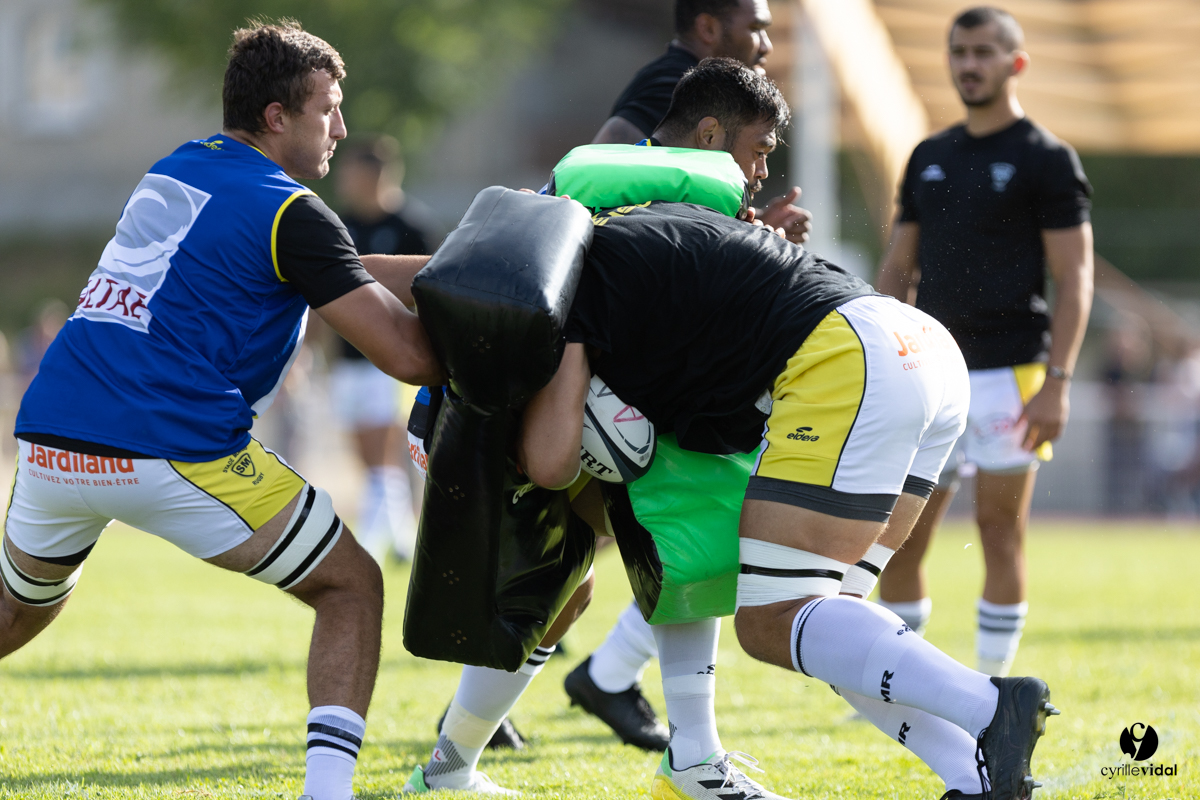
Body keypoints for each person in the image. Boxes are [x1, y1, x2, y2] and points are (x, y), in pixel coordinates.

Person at [2, 22, 442, 800]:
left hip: (52, 435)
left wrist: (458, 265)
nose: (340, 127)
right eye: (327, 109)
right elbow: (405, 356)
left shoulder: (179, 167)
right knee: (351, 587)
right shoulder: (293, 212)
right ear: (278, 117)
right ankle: (328, 794)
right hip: (168, 446)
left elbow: (331, 265)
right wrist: (511, 304)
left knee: (12, 615)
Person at [521, 197, 1059, 800]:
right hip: (924, 346)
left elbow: (551, 462)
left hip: (852, 357)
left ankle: (991, 702)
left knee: (769, 622)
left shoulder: (588, 284)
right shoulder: (670, 229)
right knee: (833, 626)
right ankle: (976, 776)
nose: (756, 173)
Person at [407, 61, 802, 799]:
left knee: (577, 586)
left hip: (584, 408)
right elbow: (507, 280)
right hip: (531, 409)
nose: (763, 168)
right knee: (670, 537)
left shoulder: (653, 188)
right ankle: (685, 759)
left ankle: (451, 768)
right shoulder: (621, 185)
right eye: (760, 148)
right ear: (712, 135)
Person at [874, 6, 1094, 677]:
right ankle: (902, 679)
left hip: (1013, 375)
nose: (968, 65)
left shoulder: (1048, 159)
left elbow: (1075, 276)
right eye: (959, 52)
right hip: (929, 374)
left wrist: (1058, 383)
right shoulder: (929, 155)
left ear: (1014, 62)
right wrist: (881, 357)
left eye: (983, 53)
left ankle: (995, 686)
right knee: (901, 537)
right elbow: (897, 266)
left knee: (1001, 532)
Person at [594, 0, 812, 244]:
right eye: (754, 28)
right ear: (708, 28)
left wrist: (750, 218)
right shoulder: (674, 85)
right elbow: (605, 176)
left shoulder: (686, 83)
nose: (766, 46)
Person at [332, 136, 433, 564]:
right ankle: (402, 541)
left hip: (388, 362)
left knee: (381, 454)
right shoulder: (341, 224)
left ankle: (371, 546)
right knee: (368, 458)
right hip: (346, 360)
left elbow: (433, 293)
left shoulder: (413, 224)